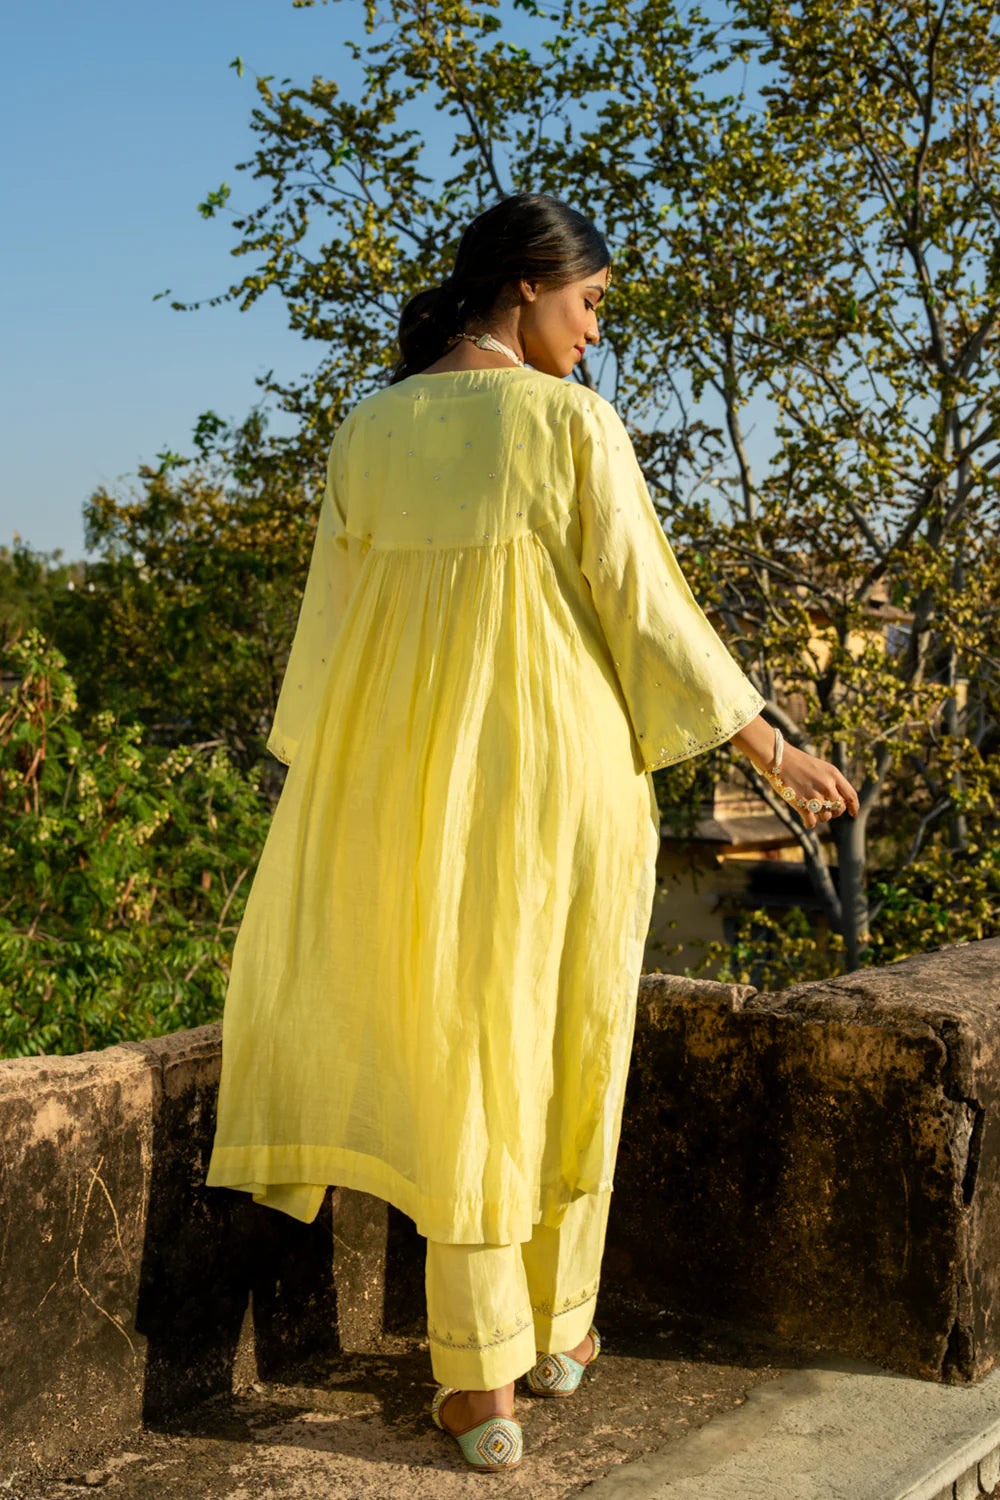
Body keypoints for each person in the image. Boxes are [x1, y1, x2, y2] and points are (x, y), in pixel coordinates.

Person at [205, 192, 859, 1473]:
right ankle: (544, 1338)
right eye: (590, 302)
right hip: (564, 781)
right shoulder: (570, 423)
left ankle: (488, 1373)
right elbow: (649, 609)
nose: (595, 332)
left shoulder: (369, 428)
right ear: (524, 285)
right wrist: (772, 749)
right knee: (561, 1039)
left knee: (466, 1053)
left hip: (412, 787)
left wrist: (334, 795)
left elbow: (328, 640)